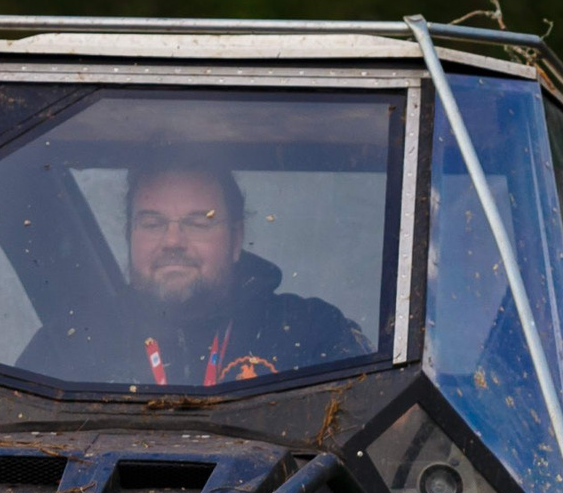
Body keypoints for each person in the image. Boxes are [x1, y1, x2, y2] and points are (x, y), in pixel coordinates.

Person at [21, 160, 371, 387]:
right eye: (153, 223)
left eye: (197, 223)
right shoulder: (69, 344)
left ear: (236, 239)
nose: (173, 240)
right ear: (130, 235)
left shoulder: (312, 333)